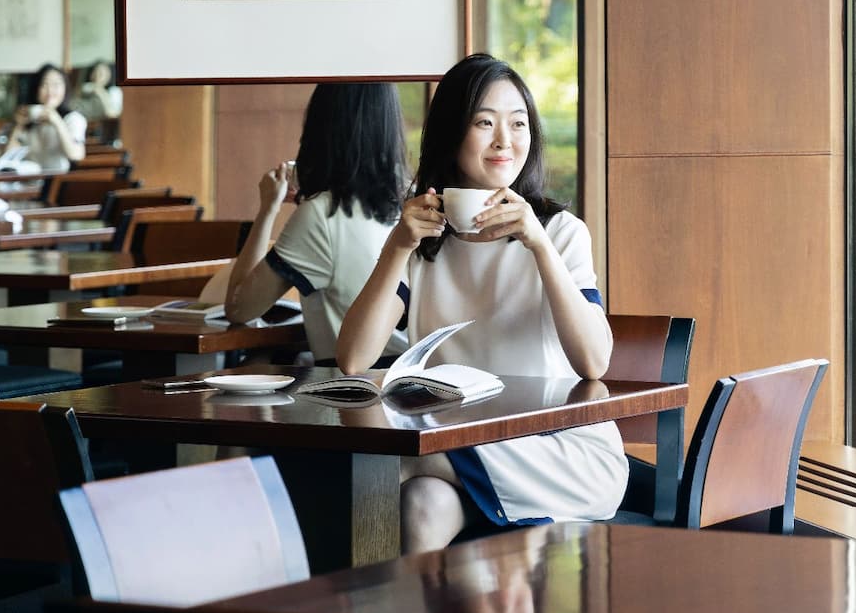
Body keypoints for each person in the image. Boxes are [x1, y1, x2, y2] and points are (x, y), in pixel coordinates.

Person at [338, 54, 618, 553]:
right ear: (451, 133)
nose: (504, 140)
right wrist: (397, 245)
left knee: (388, 464)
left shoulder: (560, 233)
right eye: (485, 123)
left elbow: (594, 362)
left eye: (518, 123)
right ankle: (418, 611)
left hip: (558, 452)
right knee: (420, 507)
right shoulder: (424, 241)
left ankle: (339, 588)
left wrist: (538, 243)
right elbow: (354, 358)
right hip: (459, 450)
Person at [225, 82, 410, 364]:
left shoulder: (322, 214)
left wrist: (267, 210)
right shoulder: (410, 201)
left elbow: (239, 308)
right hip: (409, 378)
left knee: (256, 363)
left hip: (349, 384)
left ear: (321, 126)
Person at [3, 63, 87, 172]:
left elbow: (75, 155)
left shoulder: (73, 119)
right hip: (28, 179)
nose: (50, 90)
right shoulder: (30, 118)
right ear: (36, 89)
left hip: (57, 179)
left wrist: (56, 121)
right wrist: (18, 126)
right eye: (44, 84)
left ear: (65, 88)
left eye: (56, 84)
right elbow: (8, 159)